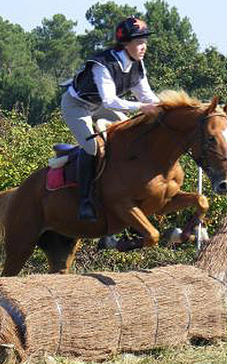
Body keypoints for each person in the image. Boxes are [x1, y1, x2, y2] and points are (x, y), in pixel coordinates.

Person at [61, 17, 161, 221]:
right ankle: (85, 200)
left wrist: (169, 108)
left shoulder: (137, 65)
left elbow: (147, 97)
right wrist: (142, 107)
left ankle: (120, 187)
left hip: (98, 107)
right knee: (92, 147)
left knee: (127, 134)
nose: (144, 47)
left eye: (145, 42)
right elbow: (110, 101)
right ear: (126, 44)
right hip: (76, 106)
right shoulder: (103, 64)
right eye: (139, 42)